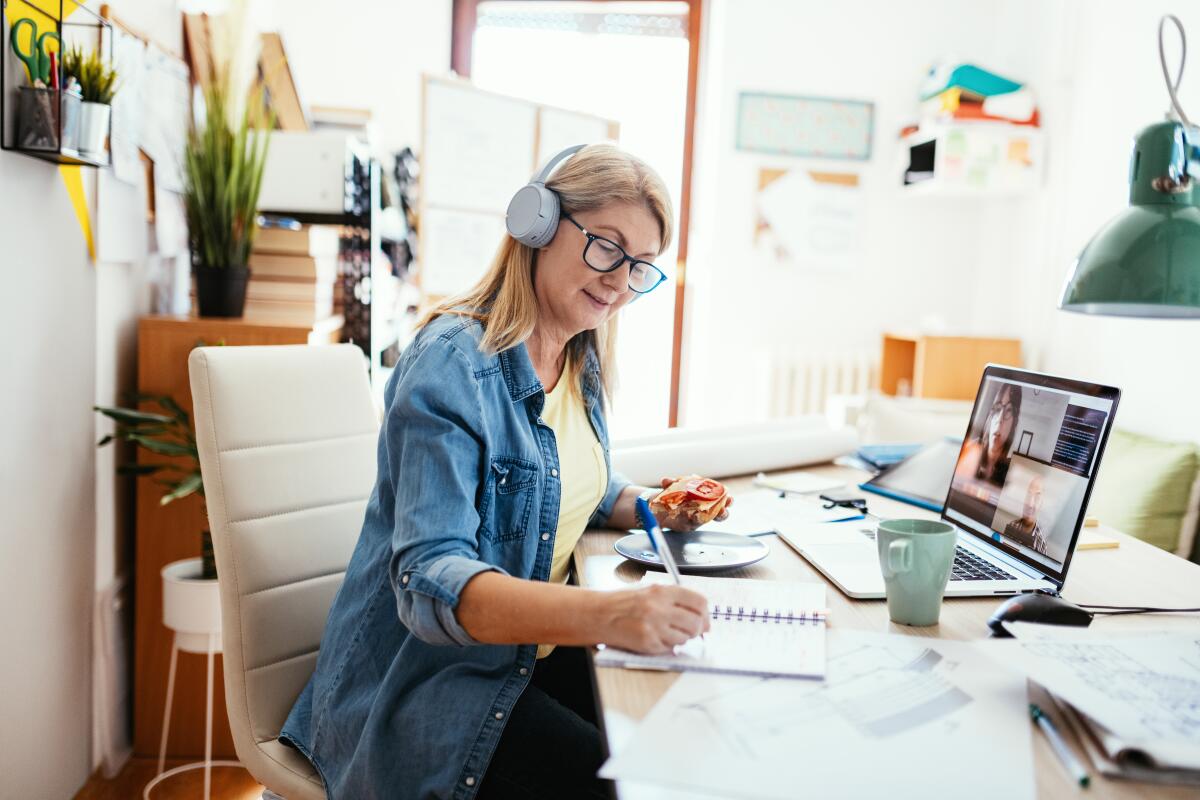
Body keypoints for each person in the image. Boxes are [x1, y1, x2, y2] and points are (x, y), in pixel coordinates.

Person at [279, 143, 728, 799]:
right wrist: (609, 615)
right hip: (430, 688)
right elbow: (432, 583)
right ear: (537, 224)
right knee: (634, 783)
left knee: (691, 731)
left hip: (523, 658)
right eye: (606, 248)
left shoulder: (579, 357)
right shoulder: (454, 363)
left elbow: (577, 487)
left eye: (640, 268)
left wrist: (657, 506)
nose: (618, 280)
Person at [953, 382, 1024, 494]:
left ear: (1014, 422)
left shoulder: (1011, 472)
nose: (1000, 419)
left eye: (1009, 410)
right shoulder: (971, 451)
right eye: (998, 408)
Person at [1003, 475, 1048, 553]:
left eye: (1037, 497)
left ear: (1042, 504)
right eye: (1029, 495)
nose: (1030, 504)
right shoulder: (1012, 525)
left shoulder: (1041, 545)